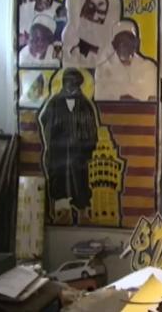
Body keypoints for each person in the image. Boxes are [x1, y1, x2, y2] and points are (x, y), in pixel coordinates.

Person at [39, 68, 98, 225]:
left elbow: (91, 129)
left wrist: (85, 146)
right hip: (59, 153)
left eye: (75, 83)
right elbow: (45, 122)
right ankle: (62, 212)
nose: (72, 86)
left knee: (81, 181)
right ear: (64, 83)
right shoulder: (54, 103)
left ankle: (83, 212)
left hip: (79, 153)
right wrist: (58, 139)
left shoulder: (85, 105)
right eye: (69, 82)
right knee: (59, 181)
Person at [95, 20, 157, 101]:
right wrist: (120, 98)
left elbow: (151, 95)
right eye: (120, 41)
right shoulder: (102, 69)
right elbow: (99, 97)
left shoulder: (149, 67)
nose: (124, 45)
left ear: (136, 43)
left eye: (129, 40)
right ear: (114, 44)